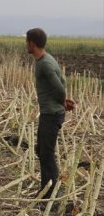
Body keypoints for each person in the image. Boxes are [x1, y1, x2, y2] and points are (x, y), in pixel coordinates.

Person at [26, 28, 76, 200]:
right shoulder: (44, 60)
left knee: (46, 153)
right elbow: (61, 82)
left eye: (27, 41)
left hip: (51, 114)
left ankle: (51, 194)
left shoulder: (45, 64)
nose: (27, 45)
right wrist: (62, 101)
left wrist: (62, 101)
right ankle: (45, 189)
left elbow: (59, 88)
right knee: (41, 149)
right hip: (50, 112)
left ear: (32, 43)